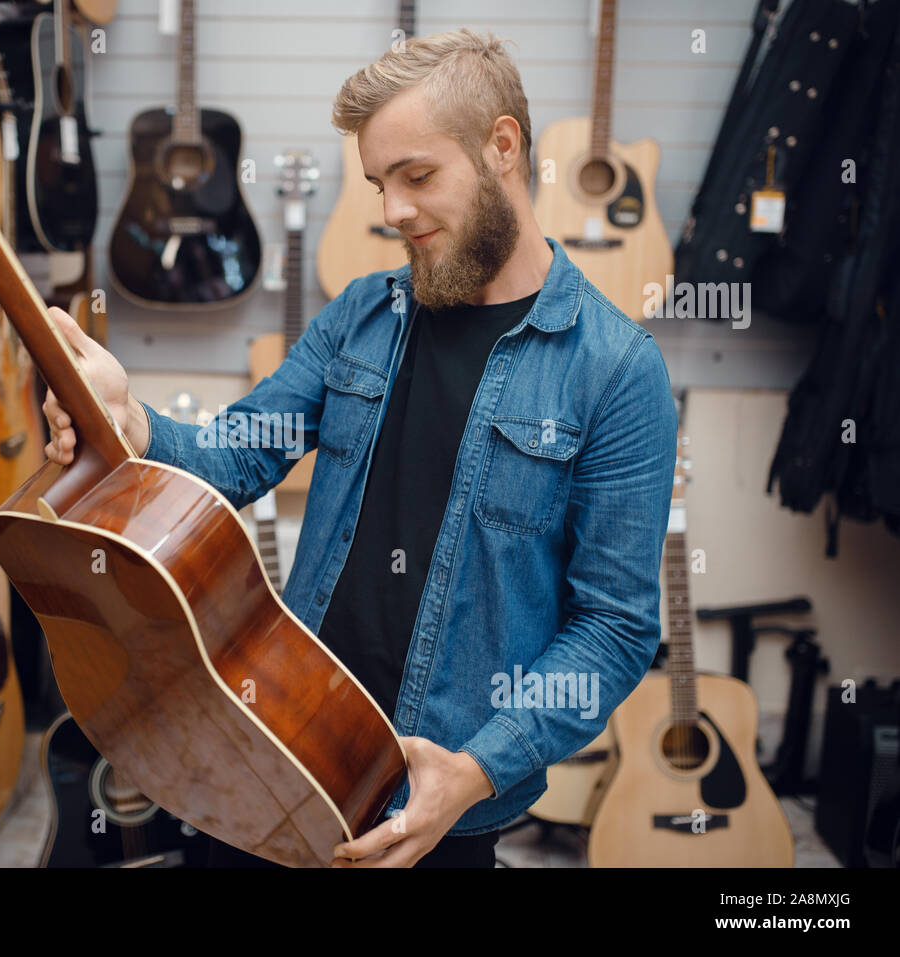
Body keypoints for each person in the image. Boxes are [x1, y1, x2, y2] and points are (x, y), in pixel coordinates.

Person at [40, 29, 677, 868]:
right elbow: (237, 455)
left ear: (503, 147)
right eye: (381, 184)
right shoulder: (362, 315)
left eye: (418, 176)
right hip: (277, 748)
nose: (392, 211)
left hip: (437, 805)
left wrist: (477, 768)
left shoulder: (617, 372)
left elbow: (615, 628)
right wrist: (133, 423)